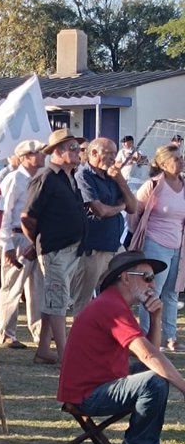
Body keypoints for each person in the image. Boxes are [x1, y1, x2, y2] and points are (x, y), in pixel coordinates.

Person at [59, 251, 185, 444]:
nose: (153, 285)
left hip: (96, 386)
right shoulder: (112, 307)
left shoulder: (114, 303)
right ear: (126, 277)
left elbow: (149, 354)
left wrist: (156, 318)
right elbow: (148, 354)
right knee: (154, 380)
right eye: (147, 278)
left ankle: (143, 440)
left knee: (155, 374)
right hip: (87, 395)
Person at [22, 129, 86, 365]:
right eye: (72, 148)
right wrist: (37, 241)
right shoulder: (46, 178)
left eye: (78, 148)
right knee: (58, 300)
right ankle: (65, 353)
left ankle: (43, 350)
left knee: (54, 299)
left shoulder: (70, 178)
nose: (78, 152)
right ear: (57, 152)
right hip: (55, 249)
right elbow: (28, 216)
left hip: (71, 248)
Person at [72, 138, 137, 315]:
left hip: (114, 245)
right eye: (108, 153)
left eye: (114, 154)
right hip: (93, 248)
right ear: (93, 153)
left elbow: (133, 207)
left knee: (124, 289)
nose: (113, 158)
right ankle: (80, 340)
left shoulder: (112, 176)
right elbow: (100, 210)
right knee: (84, 301)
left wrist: (121, 180)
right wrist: (120, 206)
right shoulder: (83, 175)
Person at [132, 144, 185, 350]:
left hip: (178, 247)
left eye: (181, 157)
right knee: (152, 291)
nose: (181, 161)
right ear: (162, 164)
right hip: (155, 243)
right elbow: (135, 213)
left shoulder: (183, 185)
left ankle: (170, 337)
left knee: (172, 292)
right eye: (176, 159)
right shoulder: (152, 186)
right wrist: (141, 237)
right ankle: (146, 335)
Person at [0, 139, 45, 349]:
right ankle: (7, 334)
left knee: (38, 288)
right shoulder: (13, 180)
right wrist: (6, 245)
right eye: (38, 153)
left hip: (36, 238)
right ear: (25, 157)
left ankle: (40, 332)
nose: (43, 155)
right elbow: (4, 215)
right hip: (16, 236)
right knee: (12, 286)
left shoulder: (41, 179)